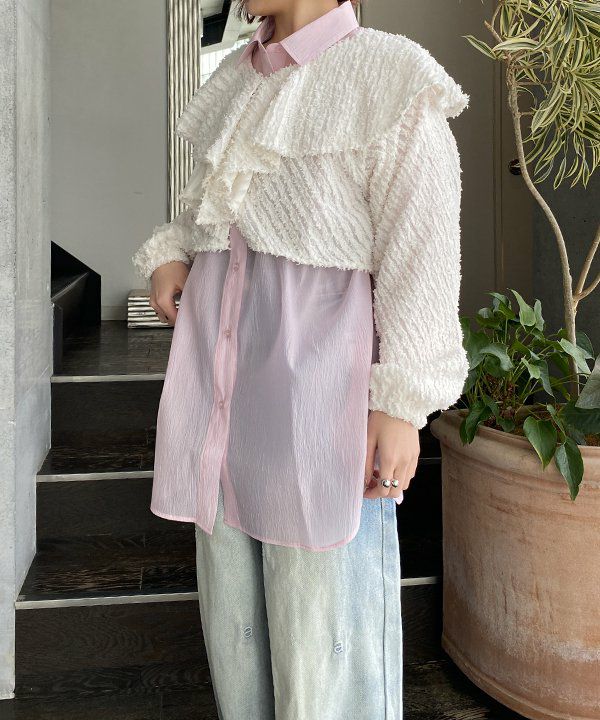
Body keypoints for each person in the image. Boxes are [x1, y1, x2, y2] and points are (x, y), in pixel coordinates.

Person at [131, 1, 470, 717]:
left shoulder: (387, 75)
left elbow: (423, 251)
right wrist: (171, 254)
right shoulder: (234, 78)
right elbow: (207, 210)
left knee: (325, 653)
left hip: (319, 411)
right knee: (238, 641)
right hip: (219, 405)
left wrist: (401, 405)